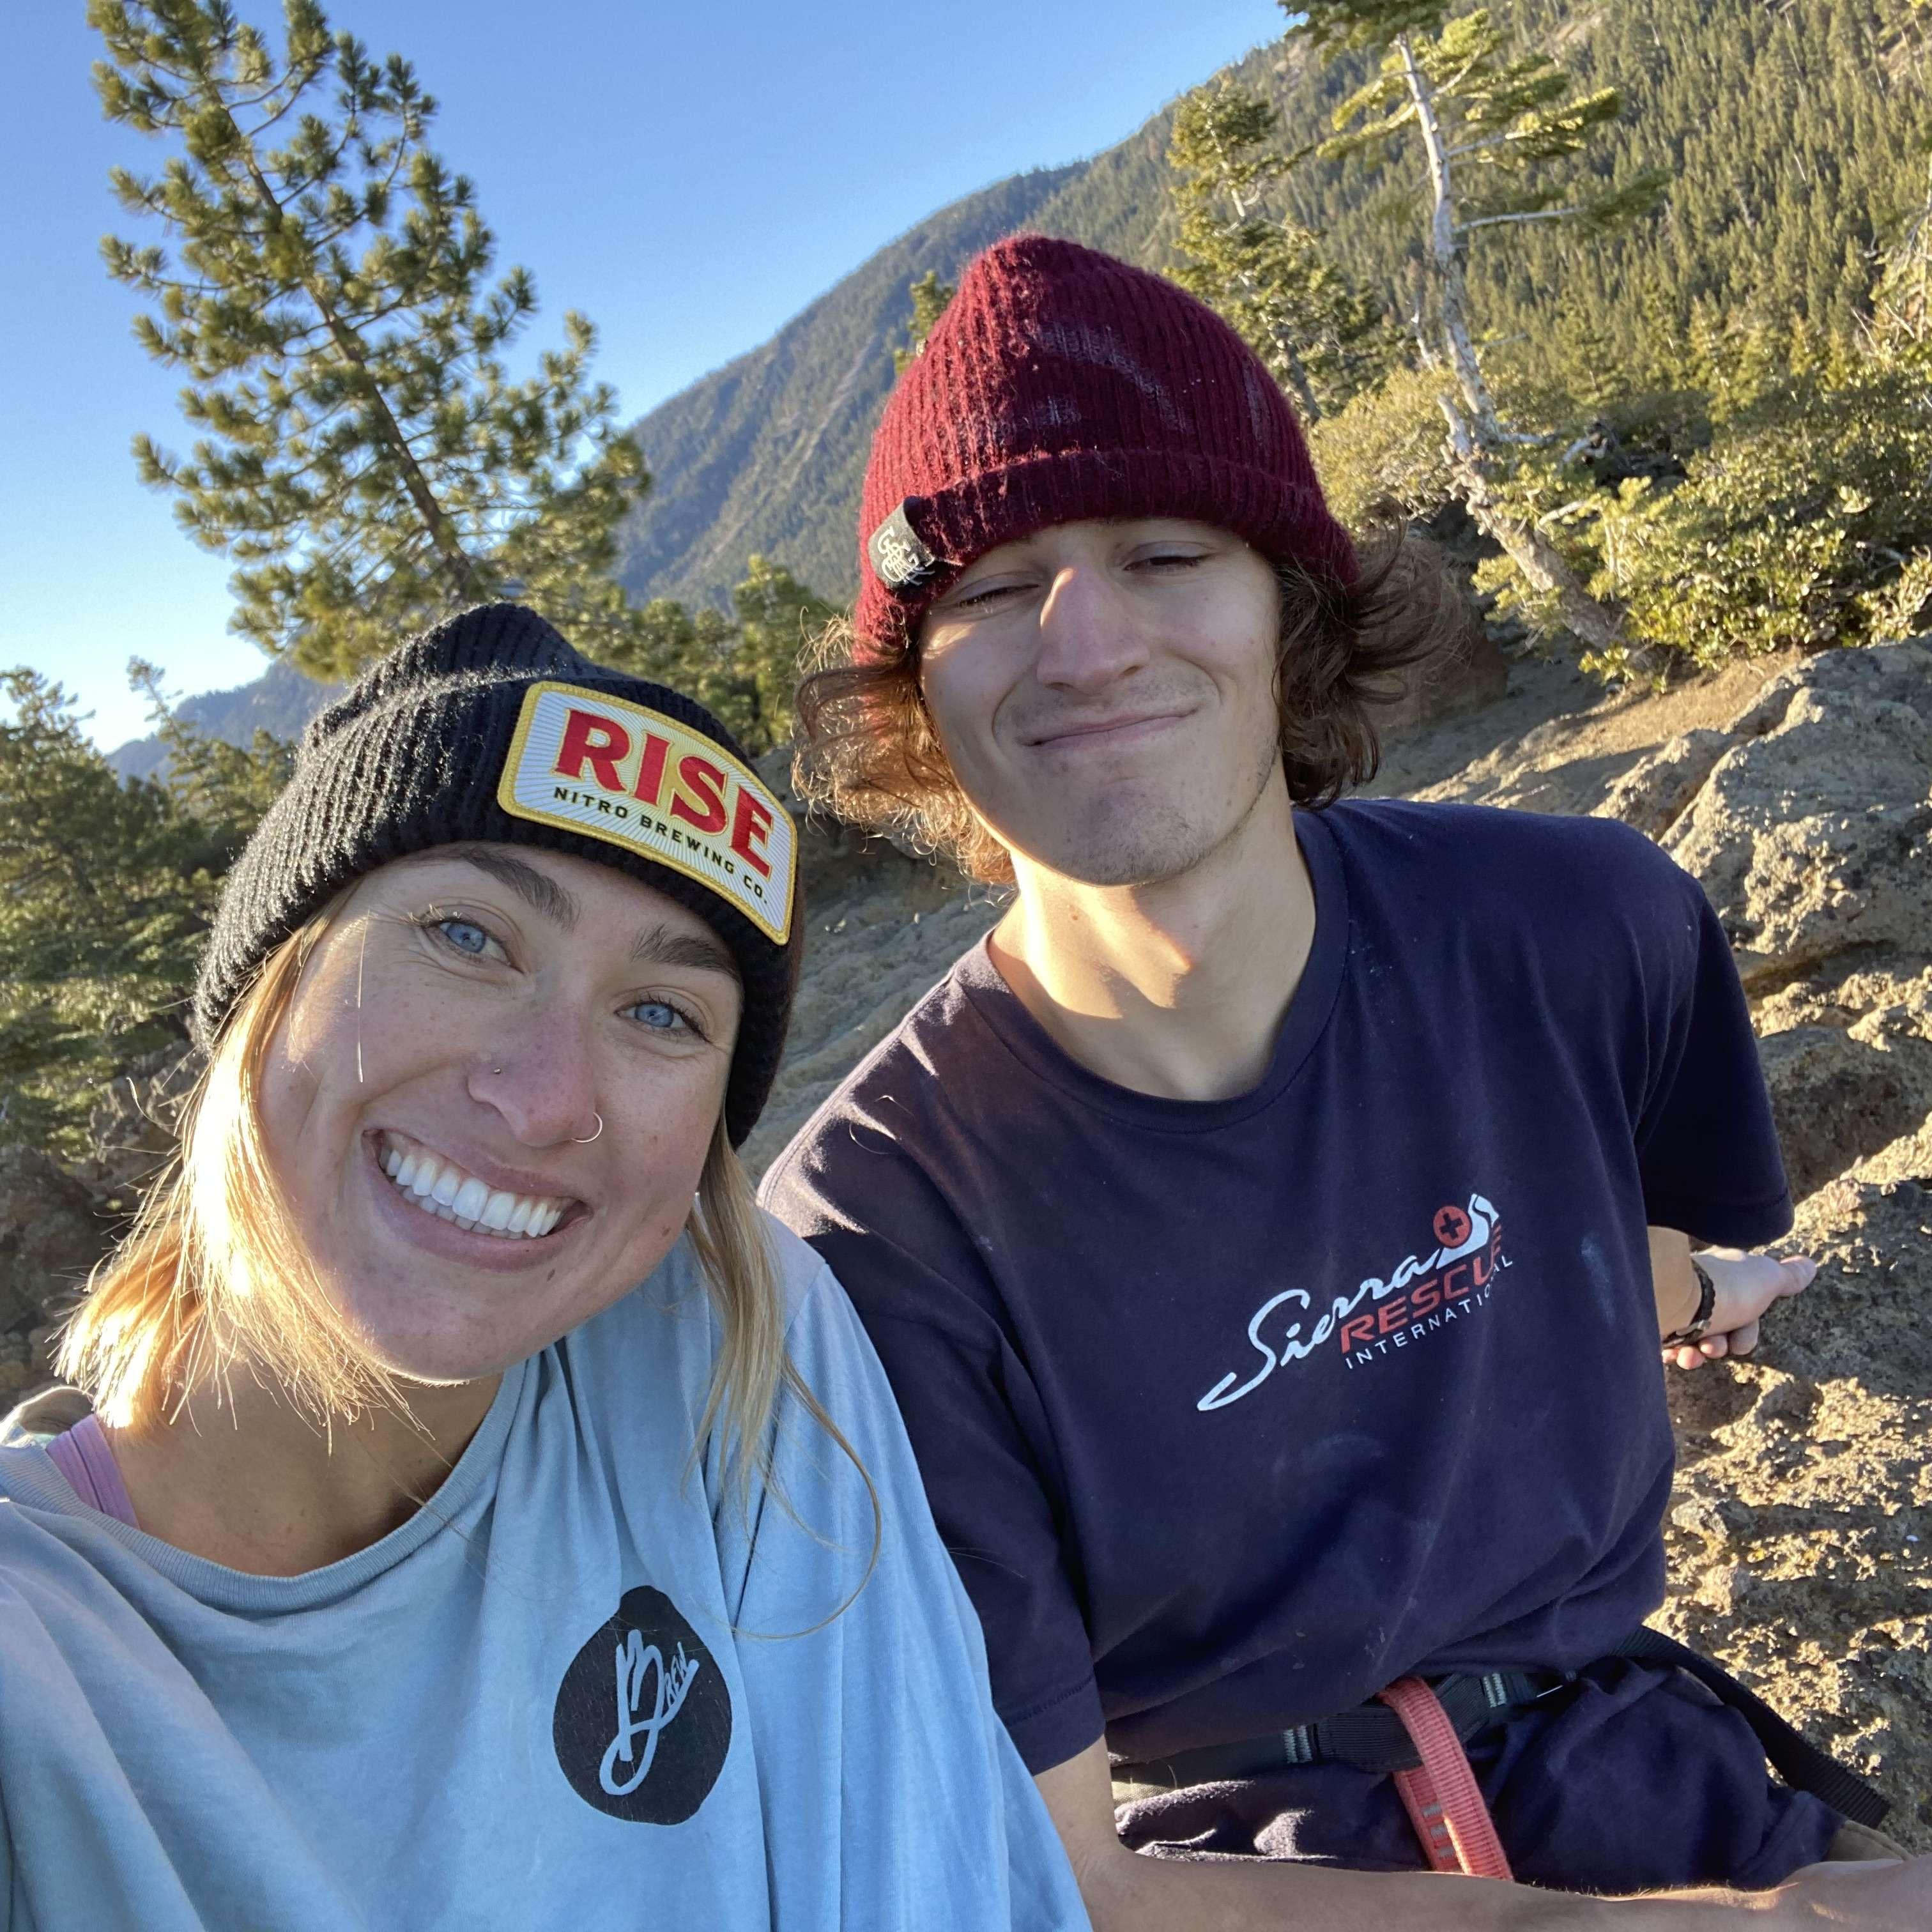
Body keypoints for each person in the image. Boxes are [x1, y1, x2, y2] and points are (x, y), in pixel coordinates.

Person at [761, 236, 1931, 1928]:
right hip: (1245, 1868)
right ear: (918, 690)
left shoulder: (1585, 930)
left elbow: (1617, 1245)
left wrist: (1718, 1284)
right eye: (992, 587)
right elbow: (1063, 1879)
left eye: (1164, 550)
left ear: (1292, 613)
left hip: (1652, 1758)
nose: (1083, 645)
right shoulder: (870, 1241)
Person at [0, 604, 1087, 1931]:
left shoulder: (722, 1364)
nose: (543, 1098)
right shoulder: (36, 1655)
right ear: (271, 986)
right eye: (467, 937)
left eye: (659, 1013)